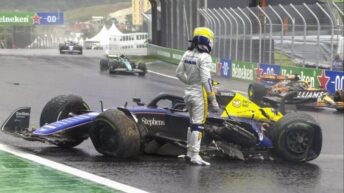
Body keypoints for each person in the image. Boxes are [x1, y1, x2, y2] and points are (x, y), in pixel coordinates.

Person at [176, 27, 220, 166]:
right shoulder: (205, 57)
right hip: (199, 94)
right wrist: (213, 98)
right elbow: (206, 79)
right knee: (198, 125)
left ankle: (189, 153)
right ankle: (195, 155)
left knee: (192, 123)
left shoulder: (187, 54)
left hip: (187, 93)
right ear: (207, 41)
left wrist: (188, 82)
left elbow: (178, 73)